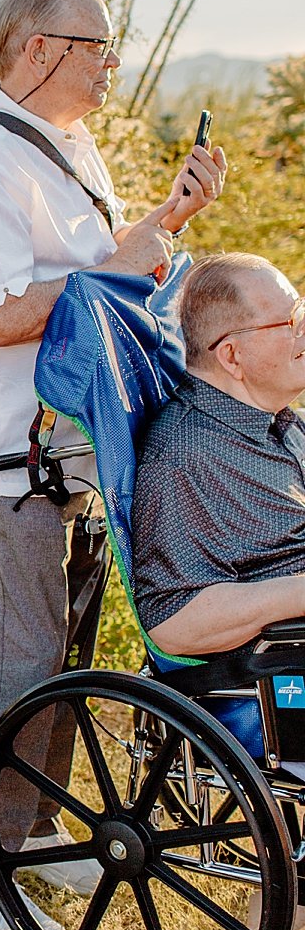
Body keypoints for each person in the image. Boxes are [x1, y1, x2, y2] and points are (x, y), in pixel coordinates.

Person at [0, 0, 226, 930]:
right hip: (8, 461)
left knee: (57, 662)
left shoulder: (66, 146)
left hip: (77, 446)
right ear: (38, 50)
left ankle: (28, 845)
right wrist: (106, 274)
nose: (111, 65)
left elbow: (101, 271)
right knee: (9, 674)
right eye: (98, 47)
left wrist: (169, 220)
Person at [132, 252, 305, 658]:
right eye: (291, 324)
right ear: (231, 356)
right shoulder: (182, 458)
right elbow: (172, 622)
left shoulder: (277, 419)